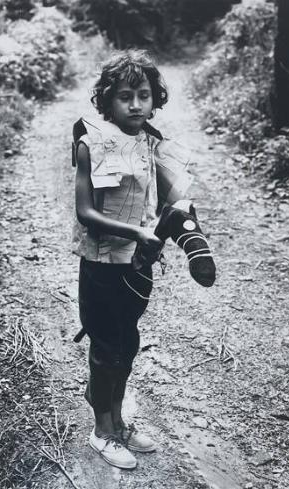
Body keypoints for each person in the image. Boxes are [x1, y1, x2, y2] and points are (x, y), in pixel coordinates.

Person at [72, 49, 189, 470]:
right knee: (106, 347)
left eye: (143, 94)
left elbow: (169, 197)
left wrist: (179, 226)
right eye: (125, 96)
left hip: (136, 264)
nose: (136, 104)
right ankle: (101, 430)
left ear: (154, 97)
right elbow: (85, 213)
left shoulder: (149, 142)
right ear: (108, 101)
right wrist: (137, 232)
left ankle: (118, 422)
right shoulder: (91, 143)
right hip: (102, 264)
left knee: (128, 342)